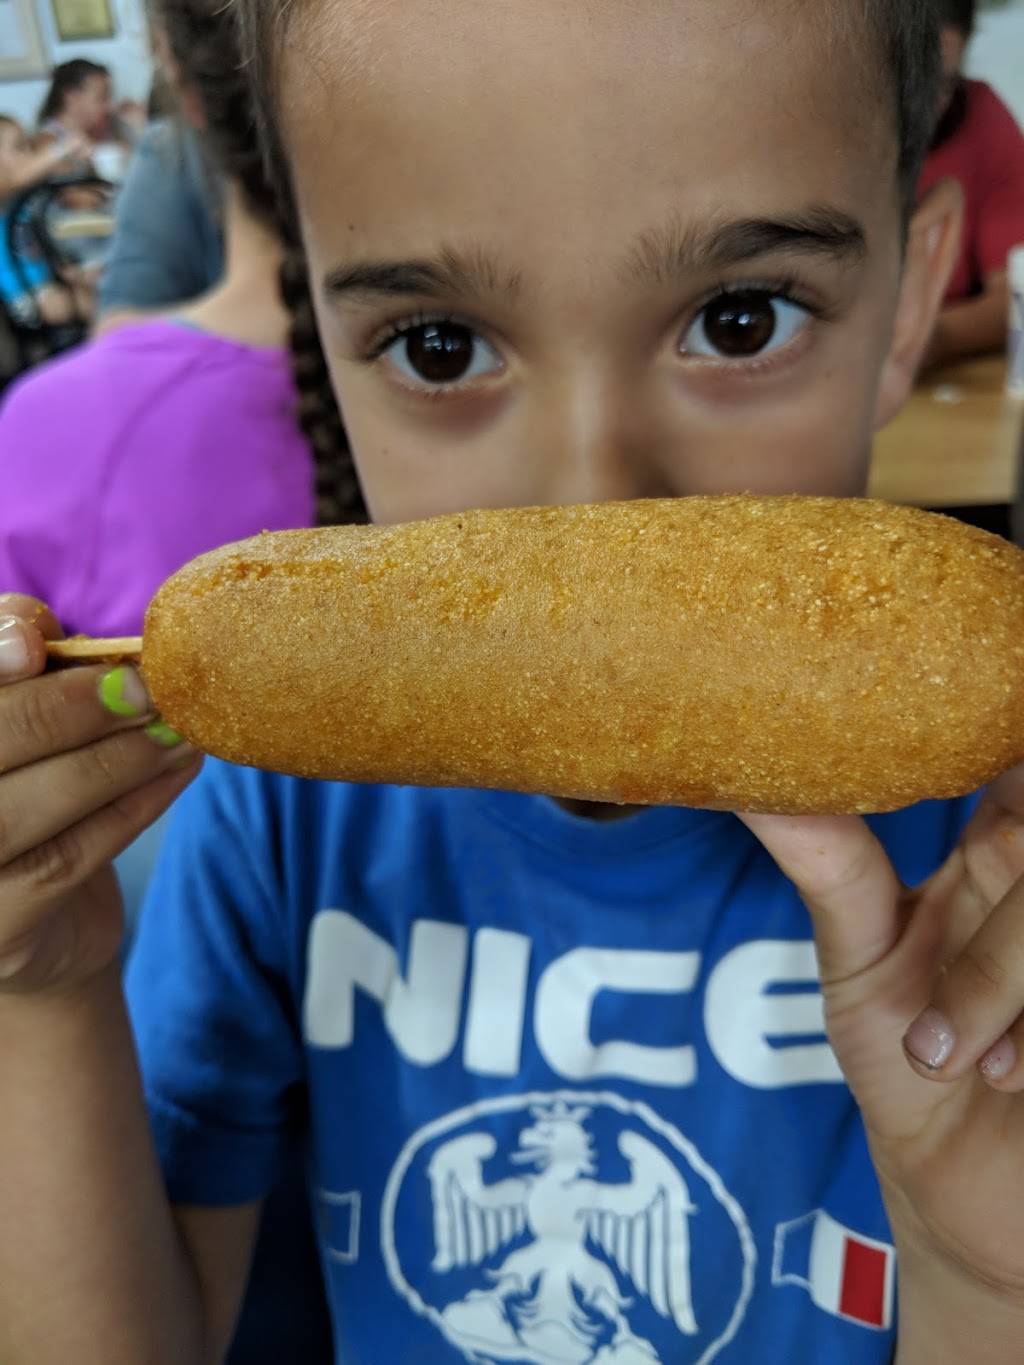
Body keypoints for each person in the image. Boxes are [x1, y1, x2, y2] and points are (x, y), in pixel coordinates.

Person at [4, 2, 1024, 1362]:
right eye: (439, 346)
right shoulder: (270, 815)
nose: (592, 504)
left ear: (910, 305)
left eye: (739, 320)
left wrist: (983, 1281)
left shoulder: (987, 878)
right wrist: (38, 991)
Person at [0, 3, 335, 1357]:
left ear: (185, 104)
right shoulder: (262, 828)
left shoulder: (54, 432)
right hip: (157, 1147)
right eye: (436, 355)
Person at [918, 0, 1024, 368]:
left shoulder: (983, 118)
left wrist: (927, 340)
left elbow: (1015, 295)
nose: (925, 106)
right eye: (910, 78)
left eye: (944, 83)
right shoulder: (820, 133)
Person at [0, 115, 95, 326]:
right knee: (77, 304)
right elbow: (15, 178)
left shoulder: (26, 190)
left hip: (47, 277)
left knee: (94, 286)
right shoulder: (7, 190)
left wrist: (79, 162)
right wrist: (62, 148)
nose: (29, 153)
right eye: (19, 146)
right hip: (18, 292)